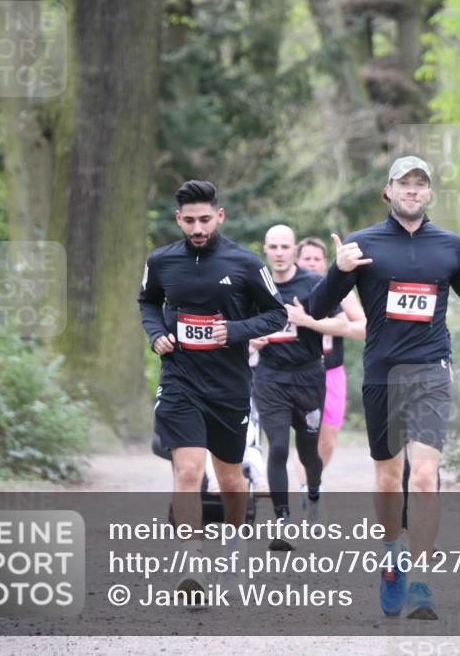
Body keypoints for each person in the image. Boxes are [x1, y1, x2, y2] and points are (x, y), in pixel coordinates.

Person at [308, 156, 460, 620]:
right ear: (389, 190)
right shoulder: (363, 244)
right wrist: (338, 270)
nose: (413, 191)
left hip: (431, 370)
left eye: (421, 184)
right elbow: (318, 306)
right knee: (387, 476)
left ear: (429, 193)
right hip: (381, 372)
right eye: (405, 183)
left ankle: (420, 580)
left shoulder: (448, 246)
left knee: (422, 476)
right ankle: (391, 555)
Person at [138, 180, 287, 598]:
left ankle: (234, 548)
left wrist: (235, 330)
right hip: (180, 379)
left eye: (205, 219)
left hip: (229, 385)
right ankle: (192, 564)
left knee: (230, 478)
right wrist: (155, 334)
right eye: (189, 221)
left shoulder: (245, 262)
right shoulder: (162, 261)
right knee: (188, 472)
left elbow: (276, 316)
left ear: (219, 216)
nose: (198, 228)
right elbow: (148, 302)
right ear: (178, 220)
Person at [250, 225, 349, 550]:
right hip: (270, 378)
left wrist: (307, 320)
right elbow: (237, 328)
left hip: (308, 377)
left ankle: (315, 495)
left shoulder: (312, 283)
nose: (279, 252)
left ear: (294, 250)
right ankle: (283, 523)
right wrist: (251, 340)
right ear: (265, 250)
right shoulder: (255, 285)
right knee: (277, 446)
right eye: (273, 247)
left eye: (284, 247)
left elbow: (342, 324)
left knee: (309, 453)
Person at [295, 236, 366, 489]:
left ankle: (313, 482)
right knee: (305, 437)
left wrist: (334, 326)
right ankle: (307, 489)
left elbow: (366, 327)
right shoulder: (285, 289)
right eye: (307, 259)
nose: (312, 264)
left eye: (317, 259)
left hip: (331, 371)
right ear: (297, 260)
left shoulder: (339, 291)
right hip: (297, 373)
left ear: (325, 264)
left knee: (328, 441)